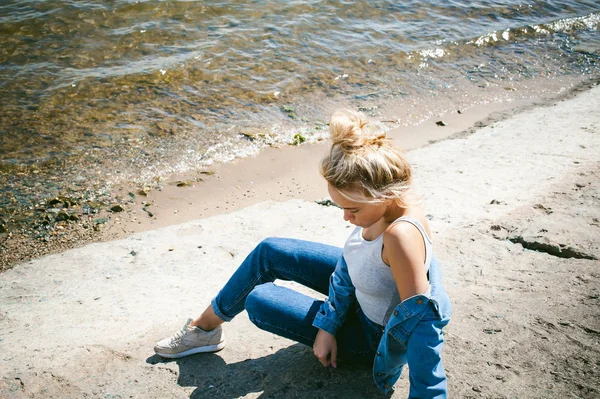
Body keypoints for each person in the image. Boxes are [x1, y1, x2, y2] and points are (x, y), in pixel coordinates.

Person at [154, 110, 452, 397]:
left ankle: (208, 330)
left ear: (383, 195)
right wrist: (328, 323)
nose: (346, 219)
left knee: (259, 299)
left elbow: (423, 325)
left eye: (353, 210)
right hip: (360, 291)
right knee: (269, 251)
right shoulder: (391, 203)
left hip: (370, 339)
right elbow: (351, 261)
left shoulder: (400, 236)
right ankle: (203, 330)